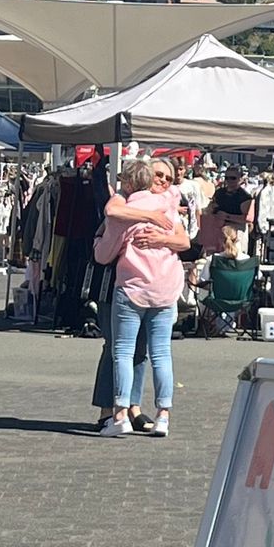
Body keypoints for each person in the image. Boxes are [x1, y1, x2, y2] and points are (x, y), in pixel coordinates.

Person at [92, 157, 188, 433]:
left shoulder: (127, 208)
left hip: (132, 287)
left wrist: (100, 242)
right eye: (158, 175)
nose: (162, 181)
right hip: (165, 289)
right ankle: (163, 415)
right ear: (148, 175)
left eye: (167, 178)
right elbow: (184, 240)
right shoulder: (169, 207)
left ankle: (120, 413)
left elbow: (104, 254)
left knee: (122, 351)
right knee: (159, 354)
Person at [205, 164, 255, 255]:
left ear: (240, 179)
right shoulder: (219, 192)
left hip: (237, 231)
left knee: (237, 256)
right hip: (218, 231)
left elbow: (248, 218)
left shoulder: (244, 196)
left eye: (233, 178)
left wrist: (227, 216)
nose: (229, 181)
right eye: (227, 178)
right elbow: (212, 208)